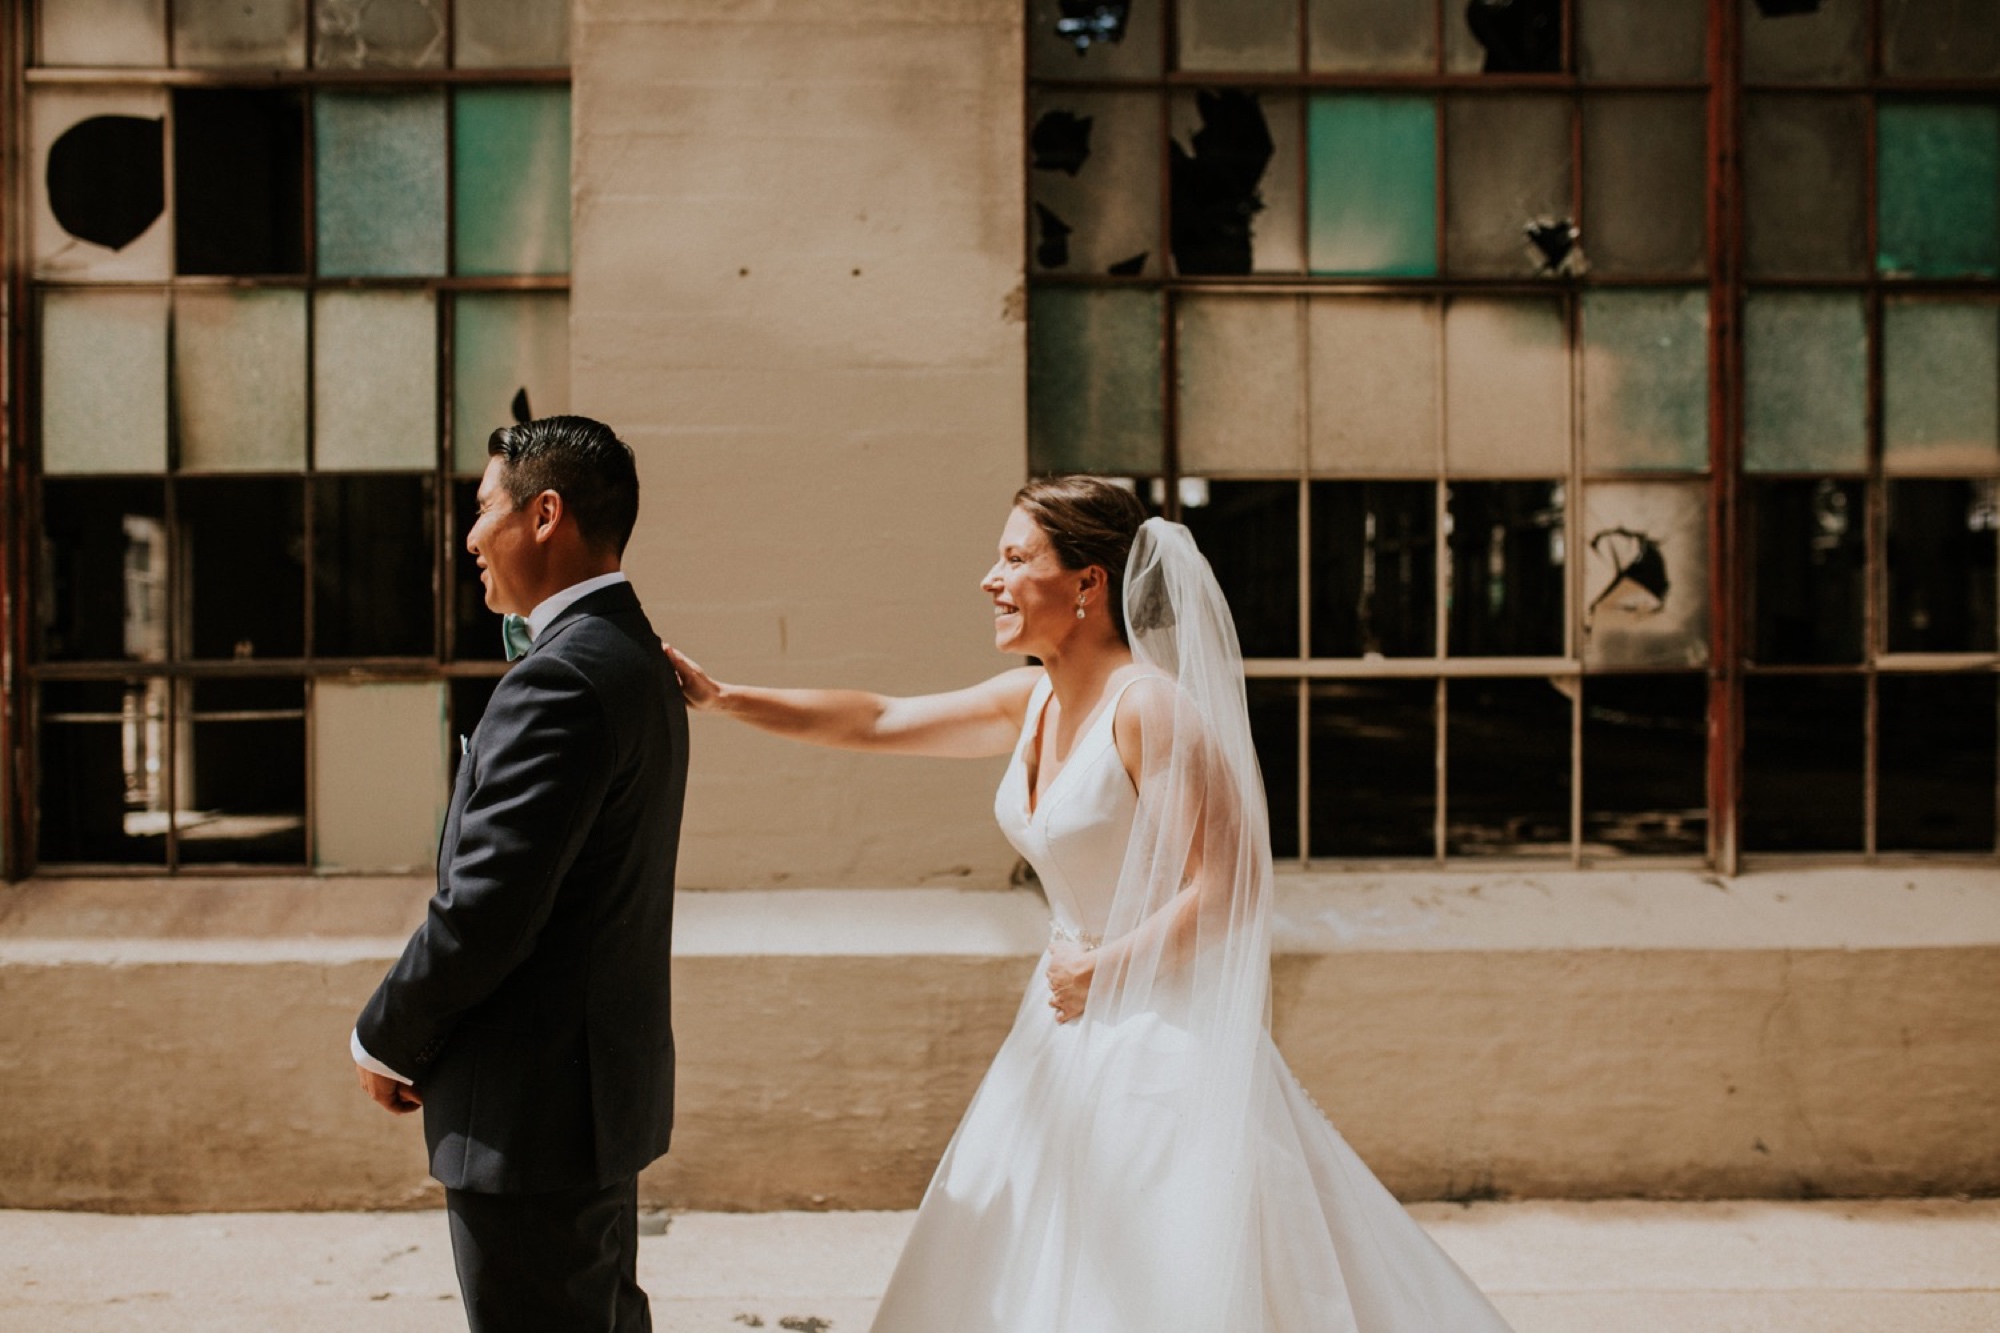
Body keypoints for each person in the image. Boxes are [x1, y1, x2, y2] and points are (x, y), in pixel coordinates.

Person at [665, 475, 1516, 1331]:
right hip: (1063, 1022)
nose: (990, 580)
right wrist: (726, 698)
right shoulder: (1033, 699)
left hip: (1156, 1036)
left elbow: (1230, 887)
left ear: (1086, 584)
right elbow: (879, 717)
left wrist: (1102, 970)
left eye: (1013, 558)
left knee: (1154, 1269)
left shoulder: (1151, 710)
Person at [352, 415, 688, 1333]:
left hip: (530, 1113)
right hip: (586, 1101)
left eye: (481, 507)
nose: (468, 536)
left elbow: (488, 910)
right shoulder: (635, 659)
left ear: (546, 515)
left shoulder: (561, 681)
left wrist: (386, 1035)